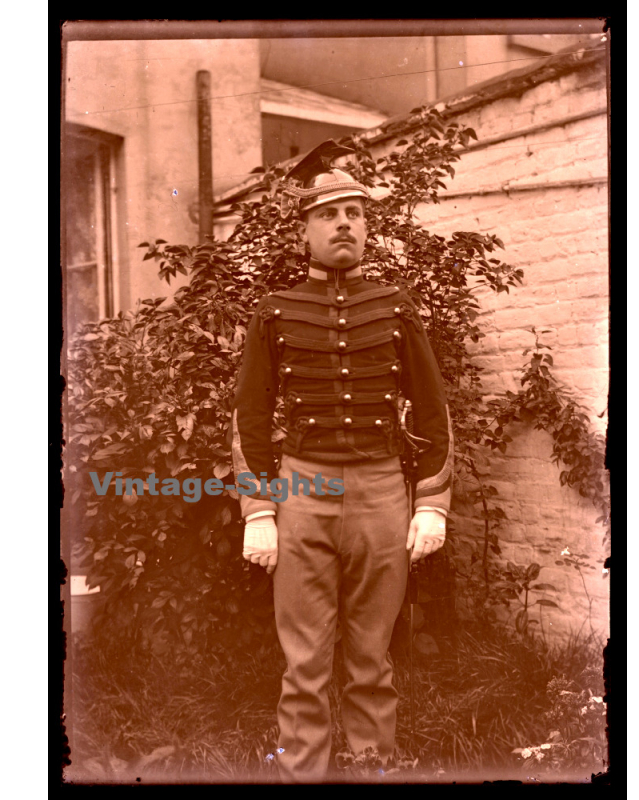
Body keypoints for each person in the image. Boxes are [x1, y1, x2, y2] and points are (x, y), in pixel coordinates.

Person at [229, 140, 453, 783]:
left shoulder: (395, 305)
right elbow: (248, 417)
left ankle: (374, 765)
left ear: (367, 226)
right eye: (329, 214)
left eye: (355, 212)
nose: (345, 223)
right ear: (305, 231)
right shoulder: (275, 311)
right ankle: (302, 769)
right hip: (303, 488)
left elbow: (435, 413)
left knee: (371, 652)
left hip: (383, 492)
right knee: (303, 656)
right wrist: (259, 508)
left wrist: (432, 503)